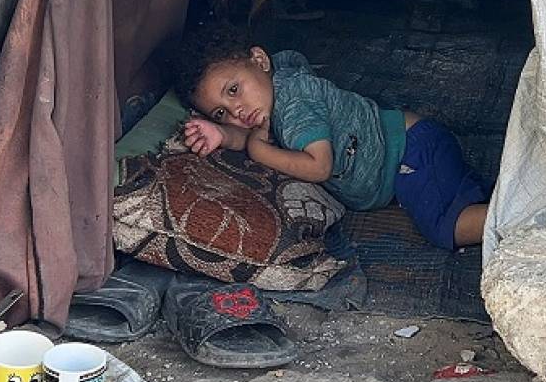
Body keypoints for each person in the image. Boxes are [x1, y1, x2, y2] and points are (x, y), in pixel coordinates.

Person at [172, 26, 488, 249]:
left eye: (233, 90)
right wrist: (222, 134)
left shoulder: (295, 102)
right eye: (221, 112)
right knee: (457, 195)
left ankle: (513, 225)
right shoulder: (269, 95)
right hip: (409, 153)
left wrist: (258, 151)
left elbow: (319, 165)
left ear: (260, 61)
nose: (237, 111)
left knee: (446, 226)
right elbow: (252, 133)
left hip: (410, 153)